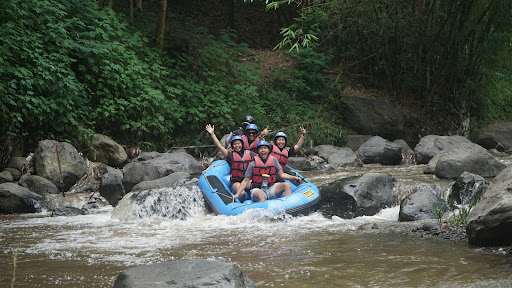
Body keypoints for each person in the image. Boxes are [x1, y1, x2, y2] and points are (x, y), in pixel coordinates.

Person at [234, 140, 303, 202]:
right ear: (257, 151)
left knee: (287, 185)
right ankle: (263, 214)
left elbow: (282, 174)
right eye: (260, 148)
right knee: (261, 196)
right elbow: (245, 180)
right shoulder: (253, 164)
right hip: (257, 189)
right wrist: (237, 194)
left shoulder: (273, 160)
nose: (263, 150)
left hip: (271, 187)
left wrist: (293, 177)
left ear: (268, 150)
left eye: (265, 148)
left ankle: (288, 206)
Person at [206, 124, 256, 202]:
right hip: (236, 181)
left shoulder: (249, 153)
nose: (237, 146)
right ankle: (239, 205)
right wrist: (212, 134)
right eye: (235, 144)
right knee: (242, 193)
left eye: (239, 143)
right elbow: (219, 146)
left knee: (255, 186)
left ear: (242, 144)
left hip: (247, 180)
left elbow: (261, 157)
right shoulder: (230, 155)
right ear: (232, 146)